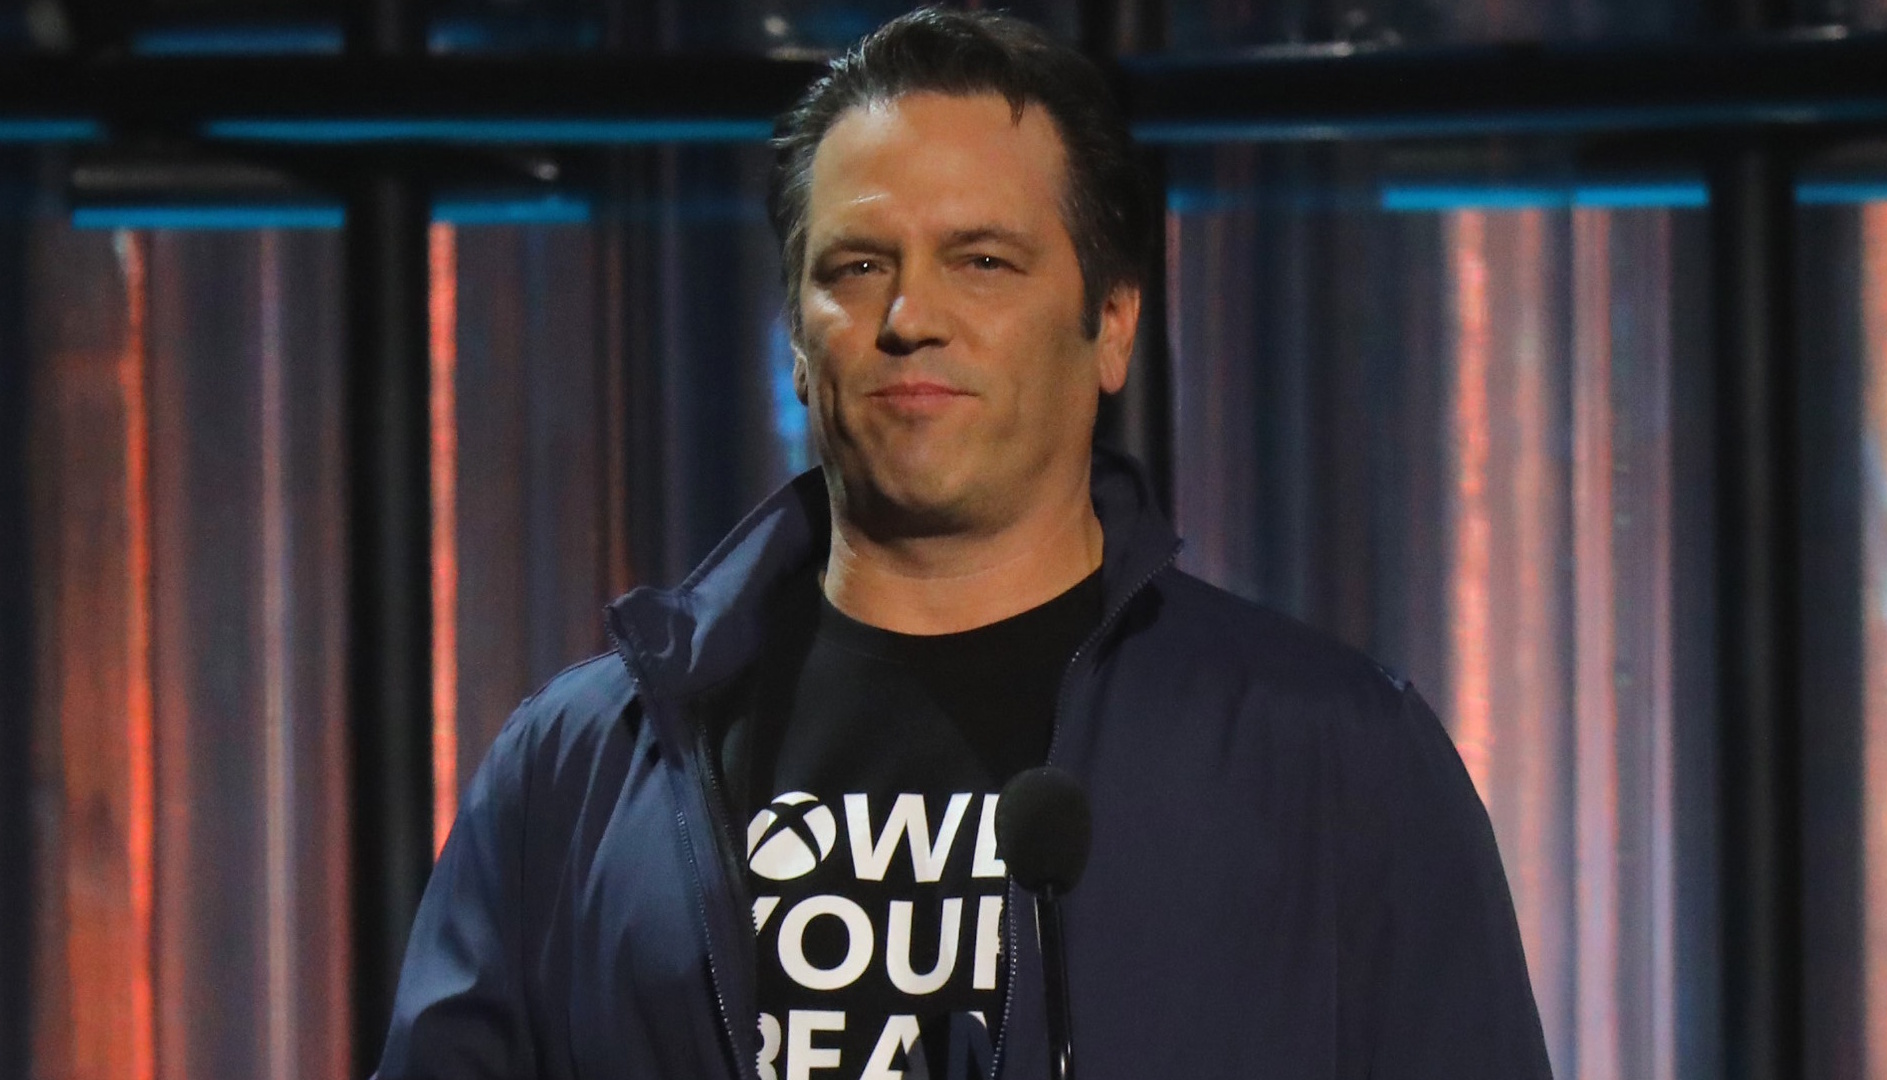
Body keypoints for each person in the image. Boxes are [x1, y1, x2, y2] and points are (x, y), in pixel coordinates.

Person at [376, 9, 1552, 1080]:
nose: (909, 318)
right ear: (796, 337)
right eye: (856, 268)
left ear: (1112, 324)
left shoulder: (1338, 761)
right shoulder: (575, 774)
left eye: (982, 261)